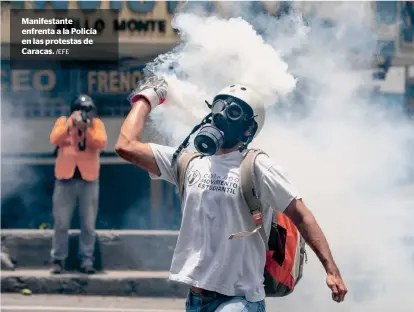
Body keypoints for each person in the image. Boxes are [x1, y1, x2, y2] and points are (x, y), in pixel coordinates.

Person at [115, 77, 347, 311]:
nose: (222, 115)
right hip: (195, 300)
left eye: (234, 111)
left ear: (248, 130)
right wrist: (148, 97)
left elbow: (301, 215)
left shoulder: (257, 166)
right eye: (219, 106)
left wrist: (331, 270)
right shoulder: (187, 162)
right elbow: (125, 146)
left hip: (239, 300)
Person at [49, 94, 107, 274]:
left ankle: (87, 260)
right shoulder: (63, 122)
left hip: (88, 181)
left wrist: (87, 128)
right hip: (65, 180)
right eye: (81, 110)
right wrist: (70, 125)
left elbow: (100, 142)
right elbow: (54, 139)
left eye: (88, 110)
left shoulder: (96, 124)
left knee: (88, 224)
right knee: (61, 223)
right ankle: (58, 260)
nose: (84, 113)